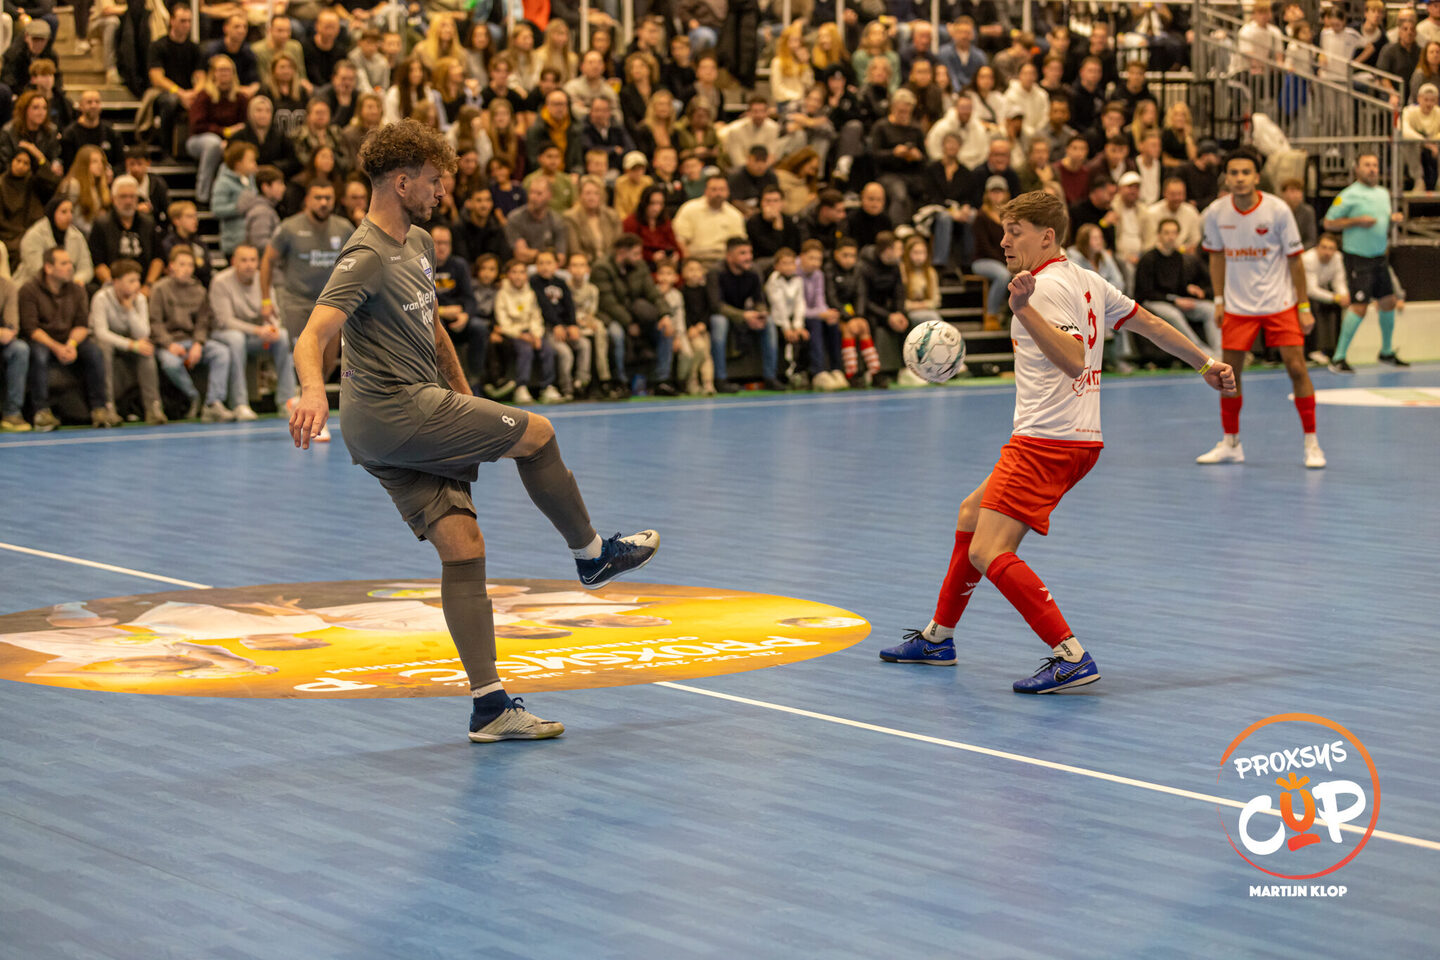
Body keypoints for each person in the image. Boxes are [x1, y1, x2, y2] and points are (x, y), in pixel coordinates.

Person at [288, 120, 660, 740]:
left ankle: (490, 707)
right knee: (538, 434)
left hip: (400, 419)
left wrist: (466, 399)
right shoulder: (365, 255)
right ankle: (592, 554)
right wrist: (309, 390)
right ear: (401, 182)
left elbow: (432, 329)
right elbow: (313, 334)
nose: (441, 191)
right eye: (433, 180)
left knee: (464, 548)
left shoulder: (419, 243)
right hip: (395, 411)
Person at [879, 189, 1236, 691]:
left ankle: (1070, 655)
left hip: (1045, 440)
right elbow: (1151, 324)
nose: (1004, 242)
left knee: (988, 550)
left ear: (1046, 236)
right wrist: (1205, 362)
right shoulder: (1087, 279)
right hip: (1075, 439)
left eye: (1014, 232)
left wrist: (1022, 309)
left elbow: (1073, 359)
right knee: (970, 514)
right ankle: (939, 638)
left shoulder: (1041, 289)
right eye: (1003, 232)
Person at [1196, 147, 1324, 469]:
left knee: (1297, 369)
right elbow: (1216, 257)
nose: (1239, 178)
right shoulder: (1215, 213)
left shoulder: (1278, 210)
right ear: (1226, 178)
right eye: (1233, 173)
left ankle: (1312, 443)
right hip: (1237, 308)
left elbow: (1295, 261)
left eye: (1245, 173)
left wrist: (1303, 305)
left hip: (1280, 304)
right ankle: (1231, 443)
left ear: (1256, 177)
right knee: (1229, 375)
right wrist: (1219, 300)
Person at [261, 181, 353, 430]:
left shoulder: (344, 228)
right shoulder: (289, 228)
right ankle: (310, 413)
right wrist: (266, 300)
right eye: (318, 197)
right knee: (305, 358)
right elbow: (267, 260)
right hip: (297, 302)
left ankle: (306, 403)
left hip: (331, 303)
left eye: (328, 198)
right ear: (307, 200)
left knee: (328, 360)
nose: (323, 203)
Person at [1321, 153, 1408, 372]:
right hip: (1358, 258)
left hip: (1379, 257)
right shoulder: (1348, 195)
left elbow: (1381, 221)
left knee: (1388, 301)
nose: (1372, 169)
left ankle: (1386, 352)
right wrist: (1356, 221)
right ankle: (1338, 358)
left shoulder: (1383, 193)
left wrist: (1391, 220)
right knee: (1359, 306)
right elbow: (1329, 223)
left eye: (1375, 165)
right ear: (1357, 169)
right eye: (1367, 165)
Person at [20, 246, 115, 429]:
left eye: (70, 263)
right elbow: (31, 329)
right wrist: (57, 347)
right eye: (64, 263)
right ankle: (41, 412)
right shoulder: (29, 290)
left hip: (69, 339)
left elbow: (81, 325)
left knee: (94, 352)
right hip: (42, 340)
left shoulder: (77, 290)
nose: (70, 267)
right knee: (38, 354)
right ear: (48, 268)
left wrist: (70, 345)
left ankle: (100, 409)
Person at [209, 243, 294, 420]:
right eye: (244, 260)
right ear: (233, 262)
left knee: (283, 336)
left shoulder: (263, 279)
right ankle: (240, 404)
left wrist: (272, 328)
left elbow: (273, 311)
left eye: (253, 260)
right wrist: (257, 330)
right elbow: (226, 321)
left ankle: (286, 401)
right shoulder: (220, 282)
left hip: (255, 335)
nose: (249, 265)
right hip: (223, 334)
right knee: (236, 339)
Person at [593, 233, 677, 394]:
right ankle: (620, 381)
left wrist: (664, 315)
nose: (639, 257)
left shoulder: (640, 266)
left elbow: (653, 293)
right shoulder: (602, 268)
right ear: (622, 252)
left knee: (665, 329)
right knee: (617, 334)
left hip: (637, 315)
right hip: (609, 316)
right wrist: (629, 323)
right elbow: (608, 303)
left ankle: (660, 380)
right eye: (636, 254)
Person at [89, 257, 164, 423]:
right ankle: (108, 407)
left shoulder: (139, 299)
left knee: (147, 349)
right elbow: (101, 333)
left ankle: (153, 408)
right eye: (131, 281)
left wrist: (129, 309)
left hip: (129, 342)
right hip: (105, 342)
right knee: (104, 347)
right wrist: (131, 345)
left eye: (138, 280)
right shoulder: (101, 298)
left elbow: (144, 332)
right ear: (116, 282)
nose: (136, 285)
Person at [1134, 217, 1219, 351]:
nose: (1171, 237)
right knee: (1174, 315)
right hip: (1153, 301)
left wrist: (1189, 290)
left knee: (1210, 309)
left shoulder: (1178, 257)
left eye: (1174, 233)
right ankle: (1201, 352)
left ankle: (1220, 352)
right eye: (1167, 233)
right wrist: (1174, 301)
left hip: (1175, 300)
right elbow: (1145, 292)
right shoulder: (1148, 259)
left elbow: (1178, 286)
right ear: (1159, 235)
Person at [147, 3, 205, 160]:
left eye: (189, 21)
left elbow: (201, 76)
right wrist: (180, 93)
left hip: (188, 93)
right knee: (170, 101)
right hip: (164, 93)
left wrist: (194, 93)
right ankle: (165, 151)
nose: (186, 25)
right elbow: (157, 78)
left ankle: (193, 151)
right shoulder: (158, 46)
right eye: (182, 21)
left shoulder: (194, 48)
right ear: (172, 21)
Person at [89, 175, 163, 293]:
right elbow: (97, 263)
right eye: (123, 196)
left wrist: (148, 286)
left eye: (132, 196)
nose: (128, 201)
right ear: (113, 199)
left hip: (144, 287)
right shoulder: (101, 224)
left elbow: (158, 259)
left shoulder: (148, 223)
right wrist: (116, 287)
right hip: (112, 287)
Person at [672, 174, 746, 268]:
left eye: (722, 189)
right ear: (706, 191)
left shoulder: (734, 215)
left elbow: (739, 244)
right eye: (714, 189)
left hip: (725, 262)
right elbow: (680, 239)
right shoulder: (689, 209)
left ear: (728, 192)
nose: (718, 193)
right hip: (697, 261)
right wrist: (688, 262)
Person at [1302, 232, 1347, 364]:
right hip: (1296, 294)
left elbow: (1339, 282)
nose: (1327, 252)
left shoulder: (1338, 258)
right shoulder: (1308, 259)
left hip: (1320, 292)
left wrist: (1343, 296)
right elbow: (1311, 290)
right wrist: (1336, 298)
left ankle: (1337, 350)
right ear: (1317, 247)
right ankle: (1310, 351)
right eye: (1324, 247)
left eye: (1331, 248)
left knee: (1340, 307)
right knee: (1310, 305)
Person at [60, 89, 122, 171]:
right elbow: (68, 166)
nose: (93, 106)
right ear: (80, 106)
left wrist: (112, 172)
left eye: (97, 102)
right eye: (89, 102)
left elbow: (121, 164)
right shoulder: (70, 134)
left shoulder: (111, 132)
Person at [0, 271, 27, 431]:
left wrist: (7, 332)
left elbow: (12, 326)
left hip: (2, 345)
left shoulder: (6, 286)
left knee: (20, 349)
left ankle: (12, 414)